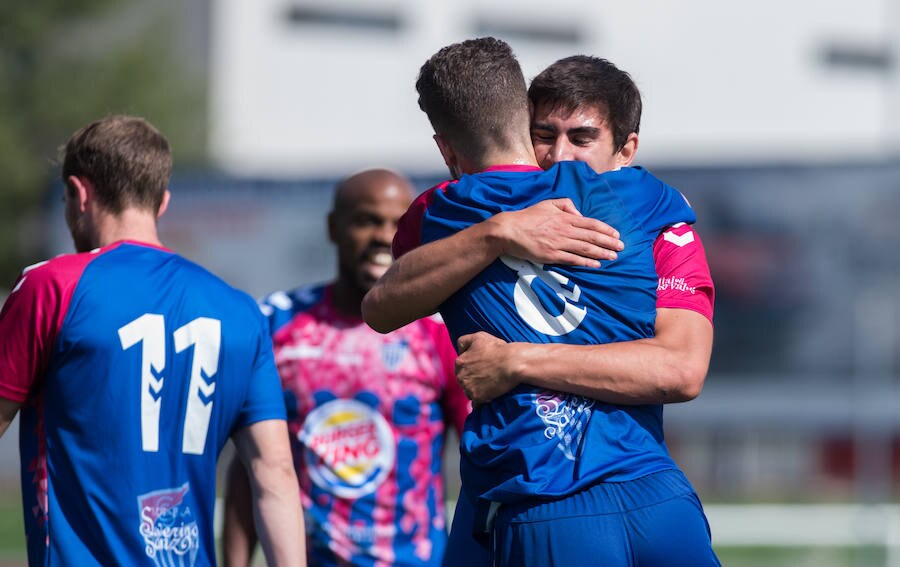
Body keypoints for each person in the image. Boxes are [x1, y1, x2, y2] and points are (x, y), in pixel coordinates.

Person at [363, 39, 719, 566]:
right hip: (544, 495)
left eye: (582, 138)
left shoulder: (440, 211)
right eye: (543, 136)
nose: (559, 156)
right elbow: (384, 304)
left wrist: (517, 361)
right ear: (520, 127)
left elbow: (681, 370)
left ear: (627, 150)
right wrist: (499, 232)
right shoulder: (647, 201)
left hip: (558, 503)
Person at [0, 115, 305, 567]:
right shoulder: (240, 311)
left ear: (79, 194)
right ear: (161, 203)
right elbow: (274, 473)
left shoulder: (52, 287)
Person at [222, 168, 471, 566]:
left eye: (396, 223)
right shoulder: (276, 325)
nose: (382, 237)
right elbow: (251, 466)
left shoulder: (438, 333)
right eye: (367, 221)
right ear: (333, 228)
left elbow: (479, 462)